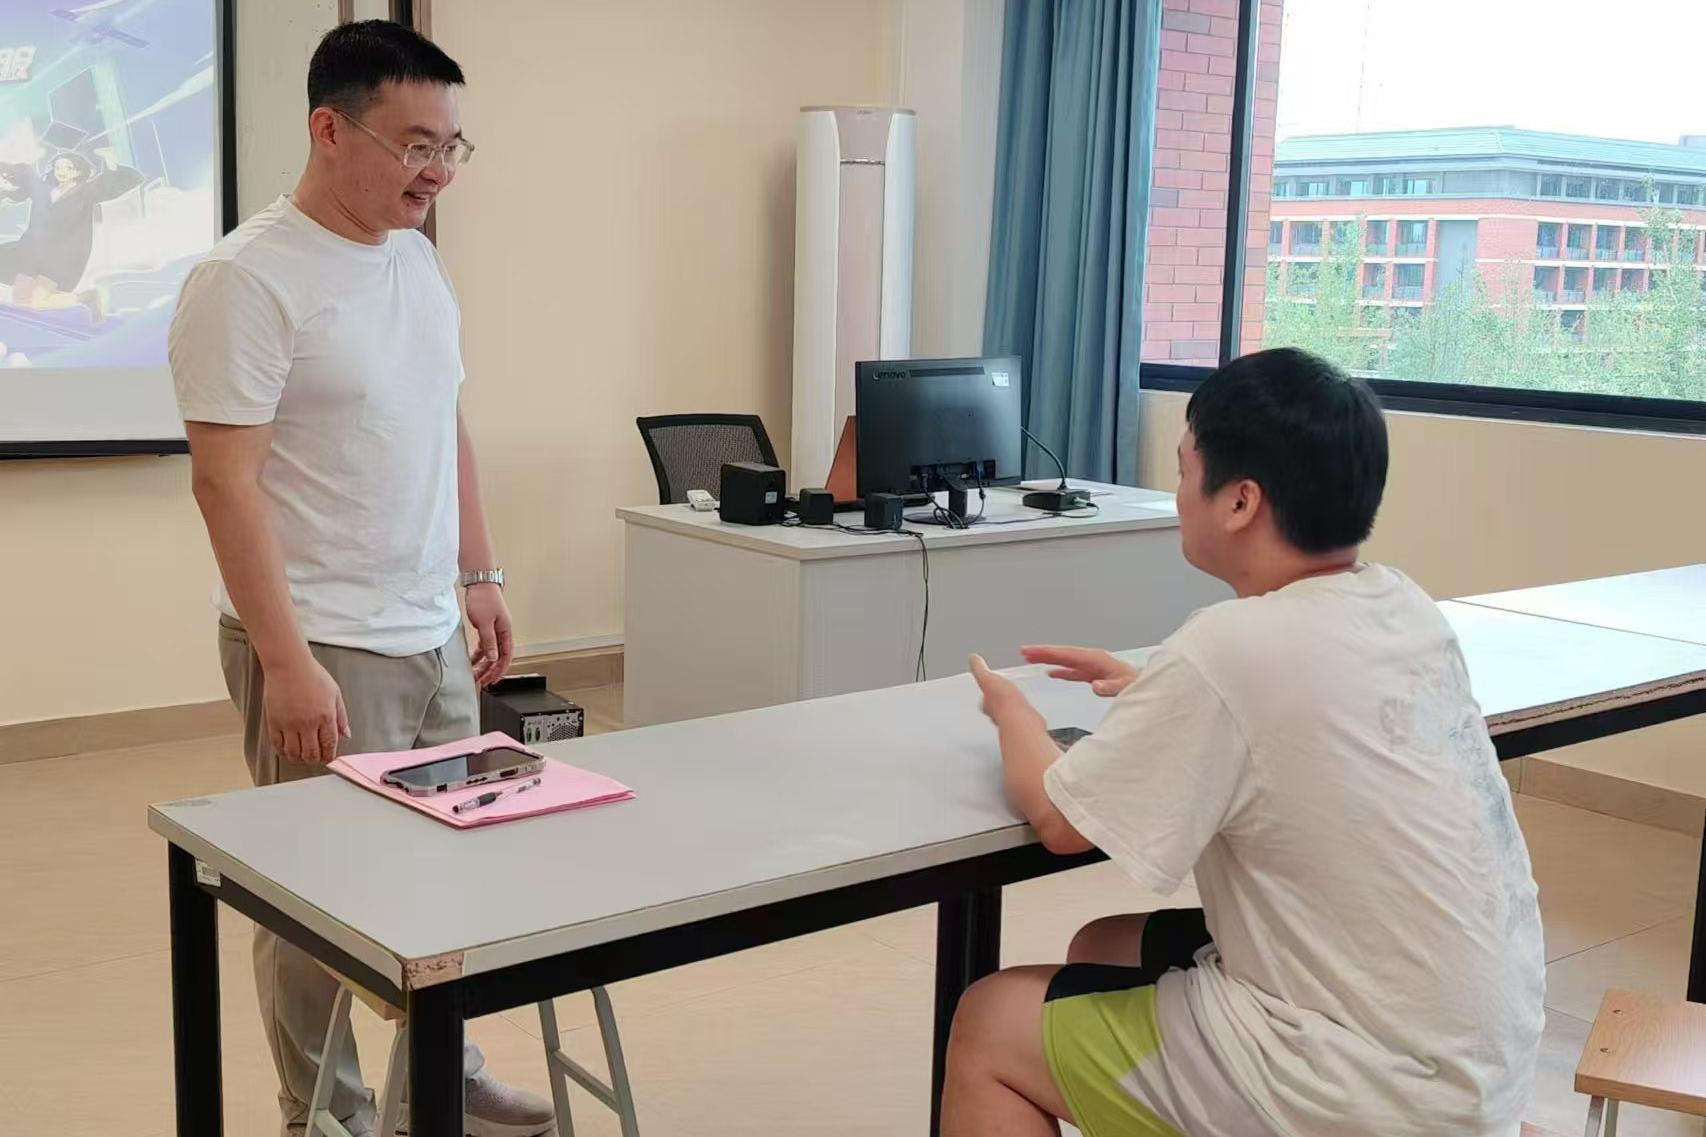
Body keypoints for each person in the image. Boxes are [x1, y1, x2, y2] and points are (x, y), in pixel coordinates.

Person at [950, 347, 1545, 1137]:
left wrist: (1012, 712)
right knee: (1104, 944)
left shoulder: (1228, 648)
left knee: (989, 1022)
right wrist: (1157, 690)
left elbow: (1061, 823)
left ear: (1239, 501)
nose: (1177, 492)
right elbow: (1310, 714)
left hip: (1361, 1086)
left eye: (1184, 469)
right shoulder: (1402, 604)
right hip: (1480, 1063)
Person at [168, 21, 552, 1137]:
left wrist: (478, 572)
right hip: (323, 641)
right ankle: (320, 1113)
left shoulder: (414, 258)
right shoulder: (245, 280)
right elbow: (224, 485)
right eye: (414, 145)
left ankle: (444, 1070)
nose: (437, 172)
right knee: (316, 899)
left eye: (450, 146)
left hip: (428, 628)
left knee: (442, 868)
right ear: (328, 130)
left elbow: (443, 421)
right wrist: (286, 662)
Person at [0, 148, 143, 316]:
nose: (62, 172)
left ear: (79, 171)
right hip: (30, 251)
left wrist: (110, 161)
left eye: (69, 168)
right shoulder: (44, 190)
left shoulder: (85, 192)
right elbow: (23, 179)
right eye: (58, 167)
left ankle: (86, 298)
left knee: (37, 302)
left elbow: (109, 185)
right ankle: (85, 298)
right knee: (22, 300)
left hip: (58, 256)